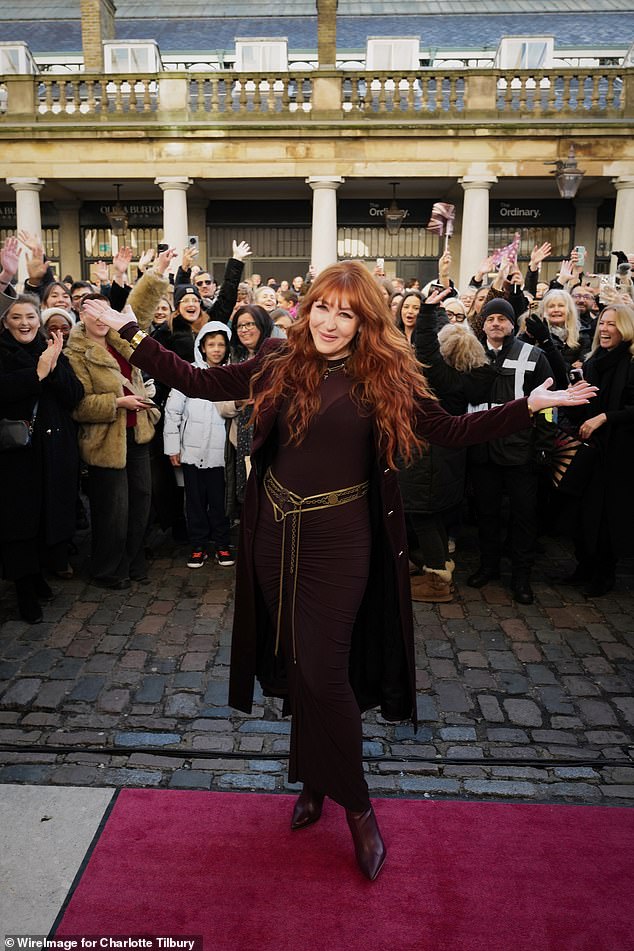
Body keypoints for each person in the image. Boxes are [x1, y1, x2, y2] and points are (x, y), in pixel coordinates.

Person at [84, 260, 595, 882]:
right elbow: (196, 377)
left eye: (347, 313)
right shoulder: (276, 360)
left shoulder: (386, 374)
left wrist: (532, 406)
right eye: (323, 308)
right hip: (274, 532)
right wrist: (125, 330)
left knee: (326, 670)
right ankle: (312, 781)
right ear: (308, 308)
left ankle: (356, 807)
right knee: (299, 664)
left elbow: (450, 429)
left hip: (343, 537)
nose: (330, 322)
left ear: (365, 320)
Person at [66, 294, 160, 589]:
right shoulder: (74, 354)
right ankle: (108, 569)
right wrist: (119, 402)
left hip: (137, 435)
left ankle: (132, 563)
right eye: (93, 311)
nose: (100, 317)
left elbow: (141, 316)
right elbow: (79, 407)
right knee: (113, 511)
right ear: (81, 315)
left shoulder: (121, 342)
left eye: (105, 310)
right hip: (105, 443)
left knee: (140, 503)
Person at [466, 298, 556, 605]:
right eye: (490, 319)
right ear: (484, 324)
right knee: (487, 513)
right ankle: (488, 566)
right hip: (482, 450)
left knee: (523, 516)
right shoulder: (471, 353)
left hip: (520, 450)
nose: (495, 324)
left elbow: (547, 406)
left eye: (501, 319)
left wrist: (543, 446)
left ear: (511, 323)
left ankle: (521, 577)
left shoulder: (533, 355)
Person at [0, 295, 83, 622]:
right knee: (20, 523)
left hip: (53, 451)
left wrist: (54, 364)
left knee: (47, 518)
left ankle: (36, 576)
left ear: (39, 320)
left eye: (30, 317)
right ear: (6, 322)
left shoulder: (50, 348)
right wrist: (36, 373)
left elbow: (74, 395)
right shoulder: (3, 353)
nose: (24, 323)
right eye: (17, 317)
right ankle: (23, 591)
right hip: (16, 456)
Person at [558, 304, 634, 596]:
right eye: (602, 323)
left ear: (625, 328)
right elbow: (585, 410)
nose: (604, 329)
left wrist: (605, 417)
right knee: (584, 512)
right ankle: (585, 566)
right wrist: (573, 394)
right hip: (591, 451)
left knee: (608, 517)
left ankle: (605, 573)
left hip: (620, 453)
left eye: (612, 324)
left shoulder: (631, 362)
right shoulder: (591, 362)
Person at [163, 320, 235, 569]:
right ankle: (198, 545)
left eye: (221, 344)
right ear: (202, 347)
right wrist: (173, 447)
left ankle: (222, 544)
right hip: (192, 453)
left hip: (220, 456)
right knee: (194, 502)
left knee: (219, 502)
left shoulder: (232, 375)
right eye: (211, 344)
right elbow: (173, 412)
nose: (216, 349)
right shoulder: (189, 373)